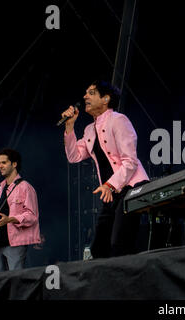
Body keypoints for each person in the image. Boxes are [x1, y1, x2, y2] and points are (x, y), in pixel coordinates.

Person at [61, 80, 149, 258]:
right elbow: (73, 156)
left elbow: (130, 162)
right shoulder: (89, 130)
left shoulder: (119, 120)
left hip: (131, 187)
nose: (85, 96)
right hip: (110, 192)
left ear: (105, 99)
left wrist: (110, 185)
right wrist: (69, 127)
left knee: (119, 243)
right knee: (98, 248)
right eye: (85, 93)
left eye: (91, 93)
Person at [0, 149, 41, 272]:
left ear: (14, 164)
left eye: (4, 162)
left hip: (15, 244)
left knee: (15, 281)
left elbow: (32, 216)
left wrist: (10, 219)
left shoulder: (26, 188)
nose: (0, 166)